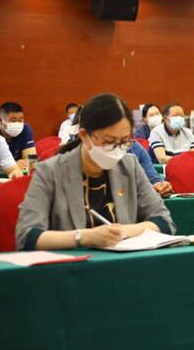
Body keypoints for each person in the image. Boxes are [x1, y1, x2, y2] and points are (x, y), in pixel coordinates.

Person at [15, 93, 175, 251]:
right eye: (109, 141)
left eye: (124, 141)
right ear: (84, 136)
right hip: (70, 264)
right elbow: (27, 236)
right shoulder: (49, 172)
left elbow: (164, 221)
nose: (117, 150)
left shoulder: (129, 165)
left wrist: (122, 231)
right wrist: (84, 237)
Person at [0, 102, 36, 166]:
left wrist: (8, 166)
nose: (17, 124)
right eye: (13, 120)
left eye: (20, 120)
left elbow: (32, 160)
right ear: (0, 121)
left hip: (18, 170)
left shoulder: (26, 129)